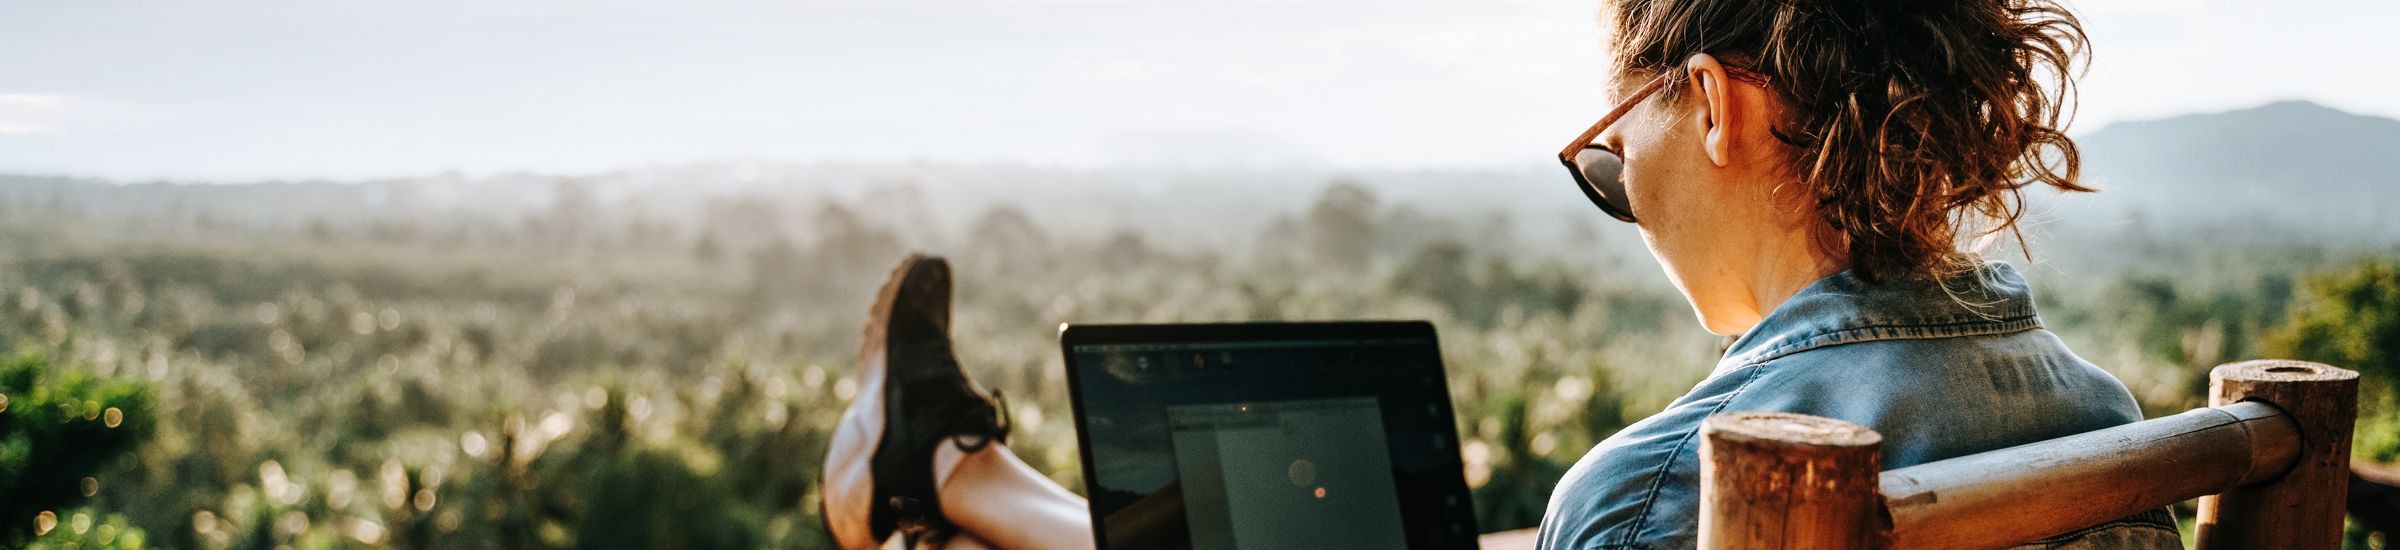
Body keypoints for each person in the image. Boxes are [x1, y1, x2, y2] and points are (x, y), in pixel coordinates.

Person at [819, 0, 2185, 547]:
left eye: (1611, 155)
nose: (1623, 197)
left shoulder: (1662, 496)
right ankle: (951, 475)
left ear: (1712, 104)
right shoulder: (2110, 426)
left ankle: (938, 481)